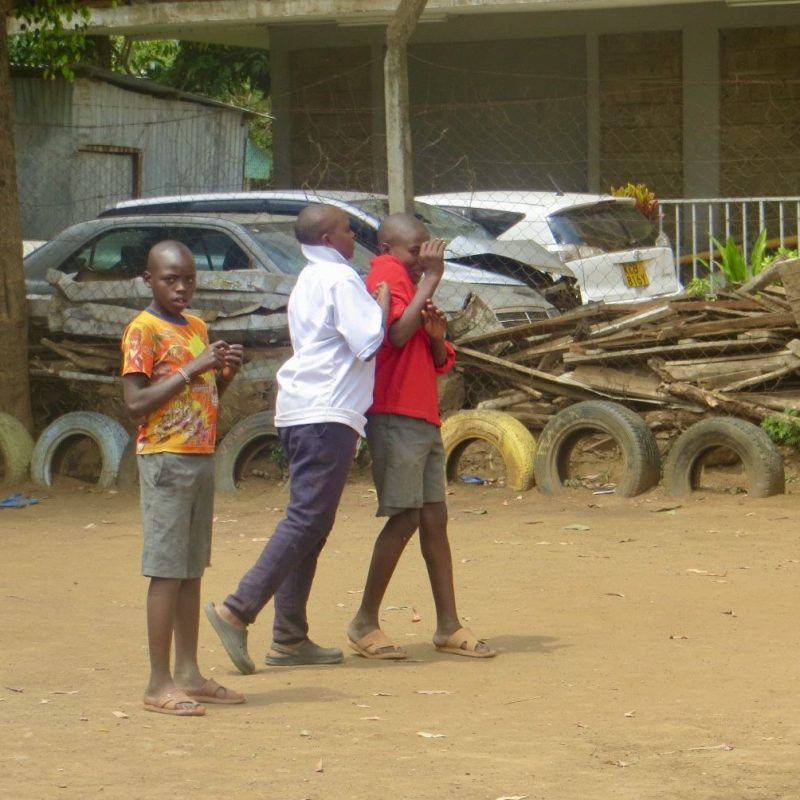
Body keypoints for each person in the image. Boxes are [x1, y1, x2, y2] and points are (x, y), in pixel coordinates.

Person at [205, 204, 390, 675]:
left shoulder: (309, 277)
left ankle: (288, 636)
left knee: (312, 522)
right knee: (307, 519)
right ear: (329, 239)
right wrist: (383, 300)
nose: (354, 238)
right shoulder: (340, 279)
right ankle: (237, 609)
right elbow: (369, 340)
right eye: (349, 230)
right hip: (325, 411)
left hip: (302, 409)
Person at [347, 213, 496, 660]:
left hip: (420, 415)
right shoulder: (385, 275)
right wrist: (430, 280)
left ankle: (448, 624)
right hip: (394, 414)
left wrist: (436, 336)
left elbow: (438, 358)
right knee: (407, 516)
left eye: (428, 249)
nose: (424, 257)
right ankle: (364, 621)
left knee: (433, 519)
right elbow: (392, 335)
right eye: (416, 250)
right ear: (388, 248)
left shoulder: (410, 279)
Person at [121, 240, 245, 717]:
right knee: (166, 571)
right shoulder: (142, 330)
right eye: (170, 279)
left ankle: (189, 674)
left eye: (188, 278)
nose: (181, 287)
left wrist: (224, 372)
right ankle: (159, 682)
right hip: (165, 458)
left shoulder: (195, 326)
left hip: (198, 456)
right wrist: (195, 367)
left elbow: (201, 391)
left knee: (191, 571)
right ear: (148, 280)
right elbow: (134, 405)